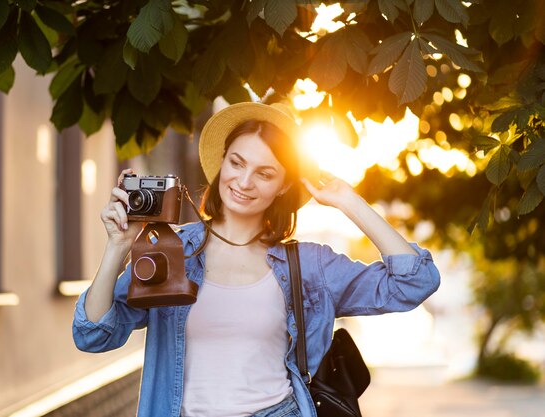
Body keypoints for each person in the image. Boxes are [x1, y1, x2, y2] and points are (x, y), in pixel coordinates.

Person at [72, 102, 441, 417]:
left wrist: (348, 200)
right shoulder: (172, 251)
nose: (244, 182)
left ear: (283, 185)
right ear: (222, 162)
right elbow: (93, 336)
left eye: (265, 173)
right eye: (237, 163)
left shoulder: (309, 267)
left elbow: (414, 282)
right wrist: (118, 247)